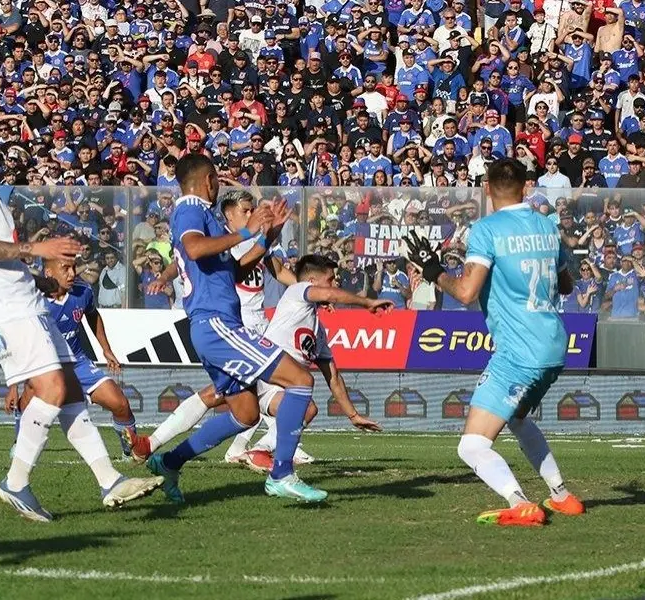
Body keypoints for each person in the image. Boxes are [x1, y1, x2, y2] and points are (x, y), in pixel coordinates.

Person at [0, 116, 162, 522]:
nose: (1, 153)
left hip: (25, 301)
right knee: (53, 389)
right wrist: (36, 249)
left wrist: (44, 280)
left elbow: (2, 260)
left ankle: (108, 479)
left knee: (72, 393)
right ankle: (16, 481)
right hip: (9, 309)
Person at [129, 154, 329, 504]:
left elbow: (234, 270)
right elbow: (192, 248)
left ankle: (169, 461)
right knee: (301, 381)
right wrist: (247, 231)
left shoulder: (207, 220)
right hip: (217, 324)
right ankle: (281, 474)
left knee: (246, 413)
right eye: (217, 179)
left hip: (214, 326)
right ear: (208, 181)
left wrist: (269, 236)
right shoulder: (191, 207)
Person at [405, 158, 584, 527]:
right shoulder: (549, 227)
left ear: (486, 188)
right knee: (518, 418)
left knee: (471, 445)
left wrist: (434, 271)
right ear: (527, 187)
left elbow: (467, 292)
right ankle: (561, 495)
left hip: (519, 350)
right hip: (553, 345)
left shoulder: (486, 230)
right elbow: (566, 285)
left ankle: (519, 503)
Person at [143, 191, 311, 472]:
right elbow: (188, 254)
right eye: (245, 210)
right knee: (297, 383)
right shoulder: (220, 241)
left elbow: (270, 268)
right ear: (228, 215)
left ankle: (167, 456)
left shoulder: (246, 241)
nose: (251, 214)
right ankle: (275, 464)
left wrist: (306, 289)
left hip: (248, 325)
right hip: (229, 328)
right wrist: (163, 277)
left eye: (252, 209)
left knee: (242, 408)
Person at [238, 255, 389, 472]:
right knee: (304, 406)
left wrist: (353, 416)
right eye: (330, 279)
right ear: (311, 282)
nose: (336, 283)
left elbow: (333, 377)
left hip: (285, 389)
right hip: (267, 384)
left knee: (306, 408)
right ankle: (260, 452)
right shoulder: (296, 292)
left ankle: (257, 452)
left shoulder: (318, 330)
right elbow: (329, 294)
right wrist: (368, 302)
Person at [5, 256, 139, 460]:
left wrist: (106, 349)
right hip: (44, 365)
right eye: (65, 268)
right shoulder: (32, 300)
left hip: (77, 362)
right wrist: (13, 386)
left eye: (74, 267)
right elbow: (16, 341)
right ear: (48, 272)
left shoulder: (82, 291)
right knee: (27, 405)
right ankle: (20, 442)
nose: (72, 273)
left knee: (119, 403)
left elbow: (93, 315)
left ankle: (132, 452)